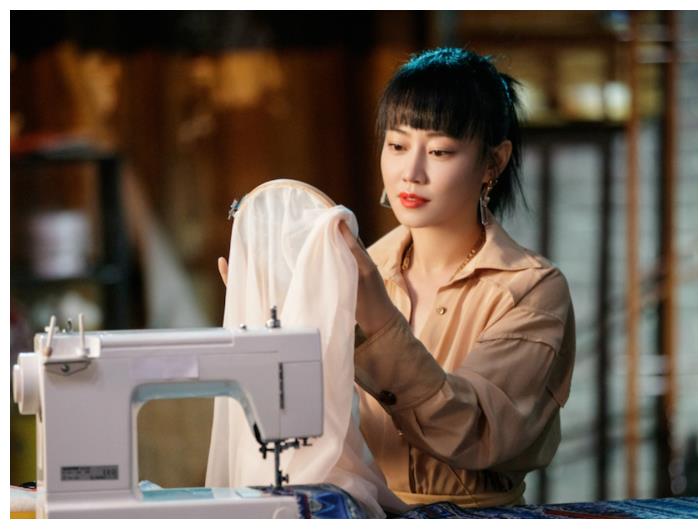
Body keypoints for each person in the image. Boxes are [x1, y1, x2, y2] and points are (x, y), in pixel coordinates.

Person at [219, 47, 575, 509]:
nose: (411, 172)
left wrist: (379, 323)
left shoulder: (531, 289)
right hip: (367, 509)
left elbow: (476, 433)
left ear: (493, 162)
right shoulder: (361, 268)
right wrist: (275, 327)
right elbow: (303, 424)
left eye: (440, 151)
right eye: (398, 145)